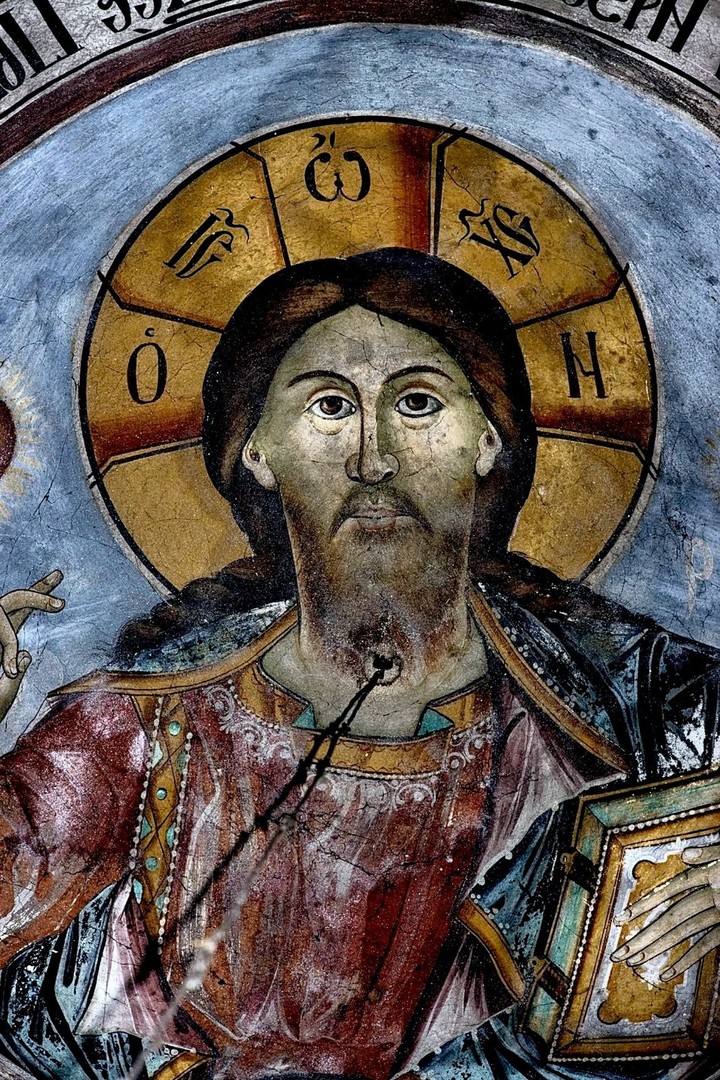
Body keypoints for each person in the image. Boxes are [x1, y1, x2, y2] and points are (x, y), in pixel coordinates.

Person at [0, 248, 718, 1080]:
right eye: (330, 406)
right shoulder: (143, 719)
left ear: (488, 439)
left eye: (418, 402)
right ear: (257, 450)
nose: (374, 459)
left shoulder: (638, 705)